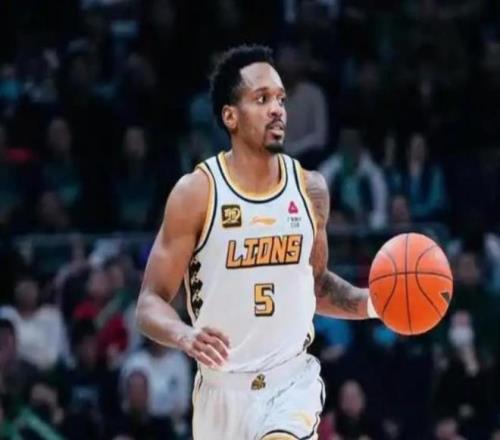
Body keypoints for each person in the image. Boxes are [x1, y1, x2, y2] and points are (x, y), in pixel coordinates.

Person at [135, 44, 379, 440]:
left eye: (280, 99)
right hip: (221, 394)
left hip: (290, 385)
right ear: (230, 116)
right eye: (262, 99)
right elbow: (149, 302)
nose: (277, 109)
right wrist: (184, 335)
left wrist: (376, 303)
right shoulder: (197, 193)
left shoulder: (311, 189)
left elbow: (316, 286)